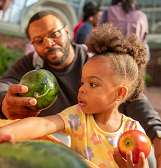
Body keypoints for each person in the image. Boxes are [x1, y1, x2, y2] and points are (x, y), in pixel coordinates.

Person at [0, 10, 161, 167]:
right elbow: (42, 125)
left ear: (67, 31)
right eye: (38, 40)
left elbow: (137, 101)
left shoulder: (133, 129)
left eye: (54, 34)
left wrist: (157, 133)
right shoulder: (77, 116)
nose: (81, 89)